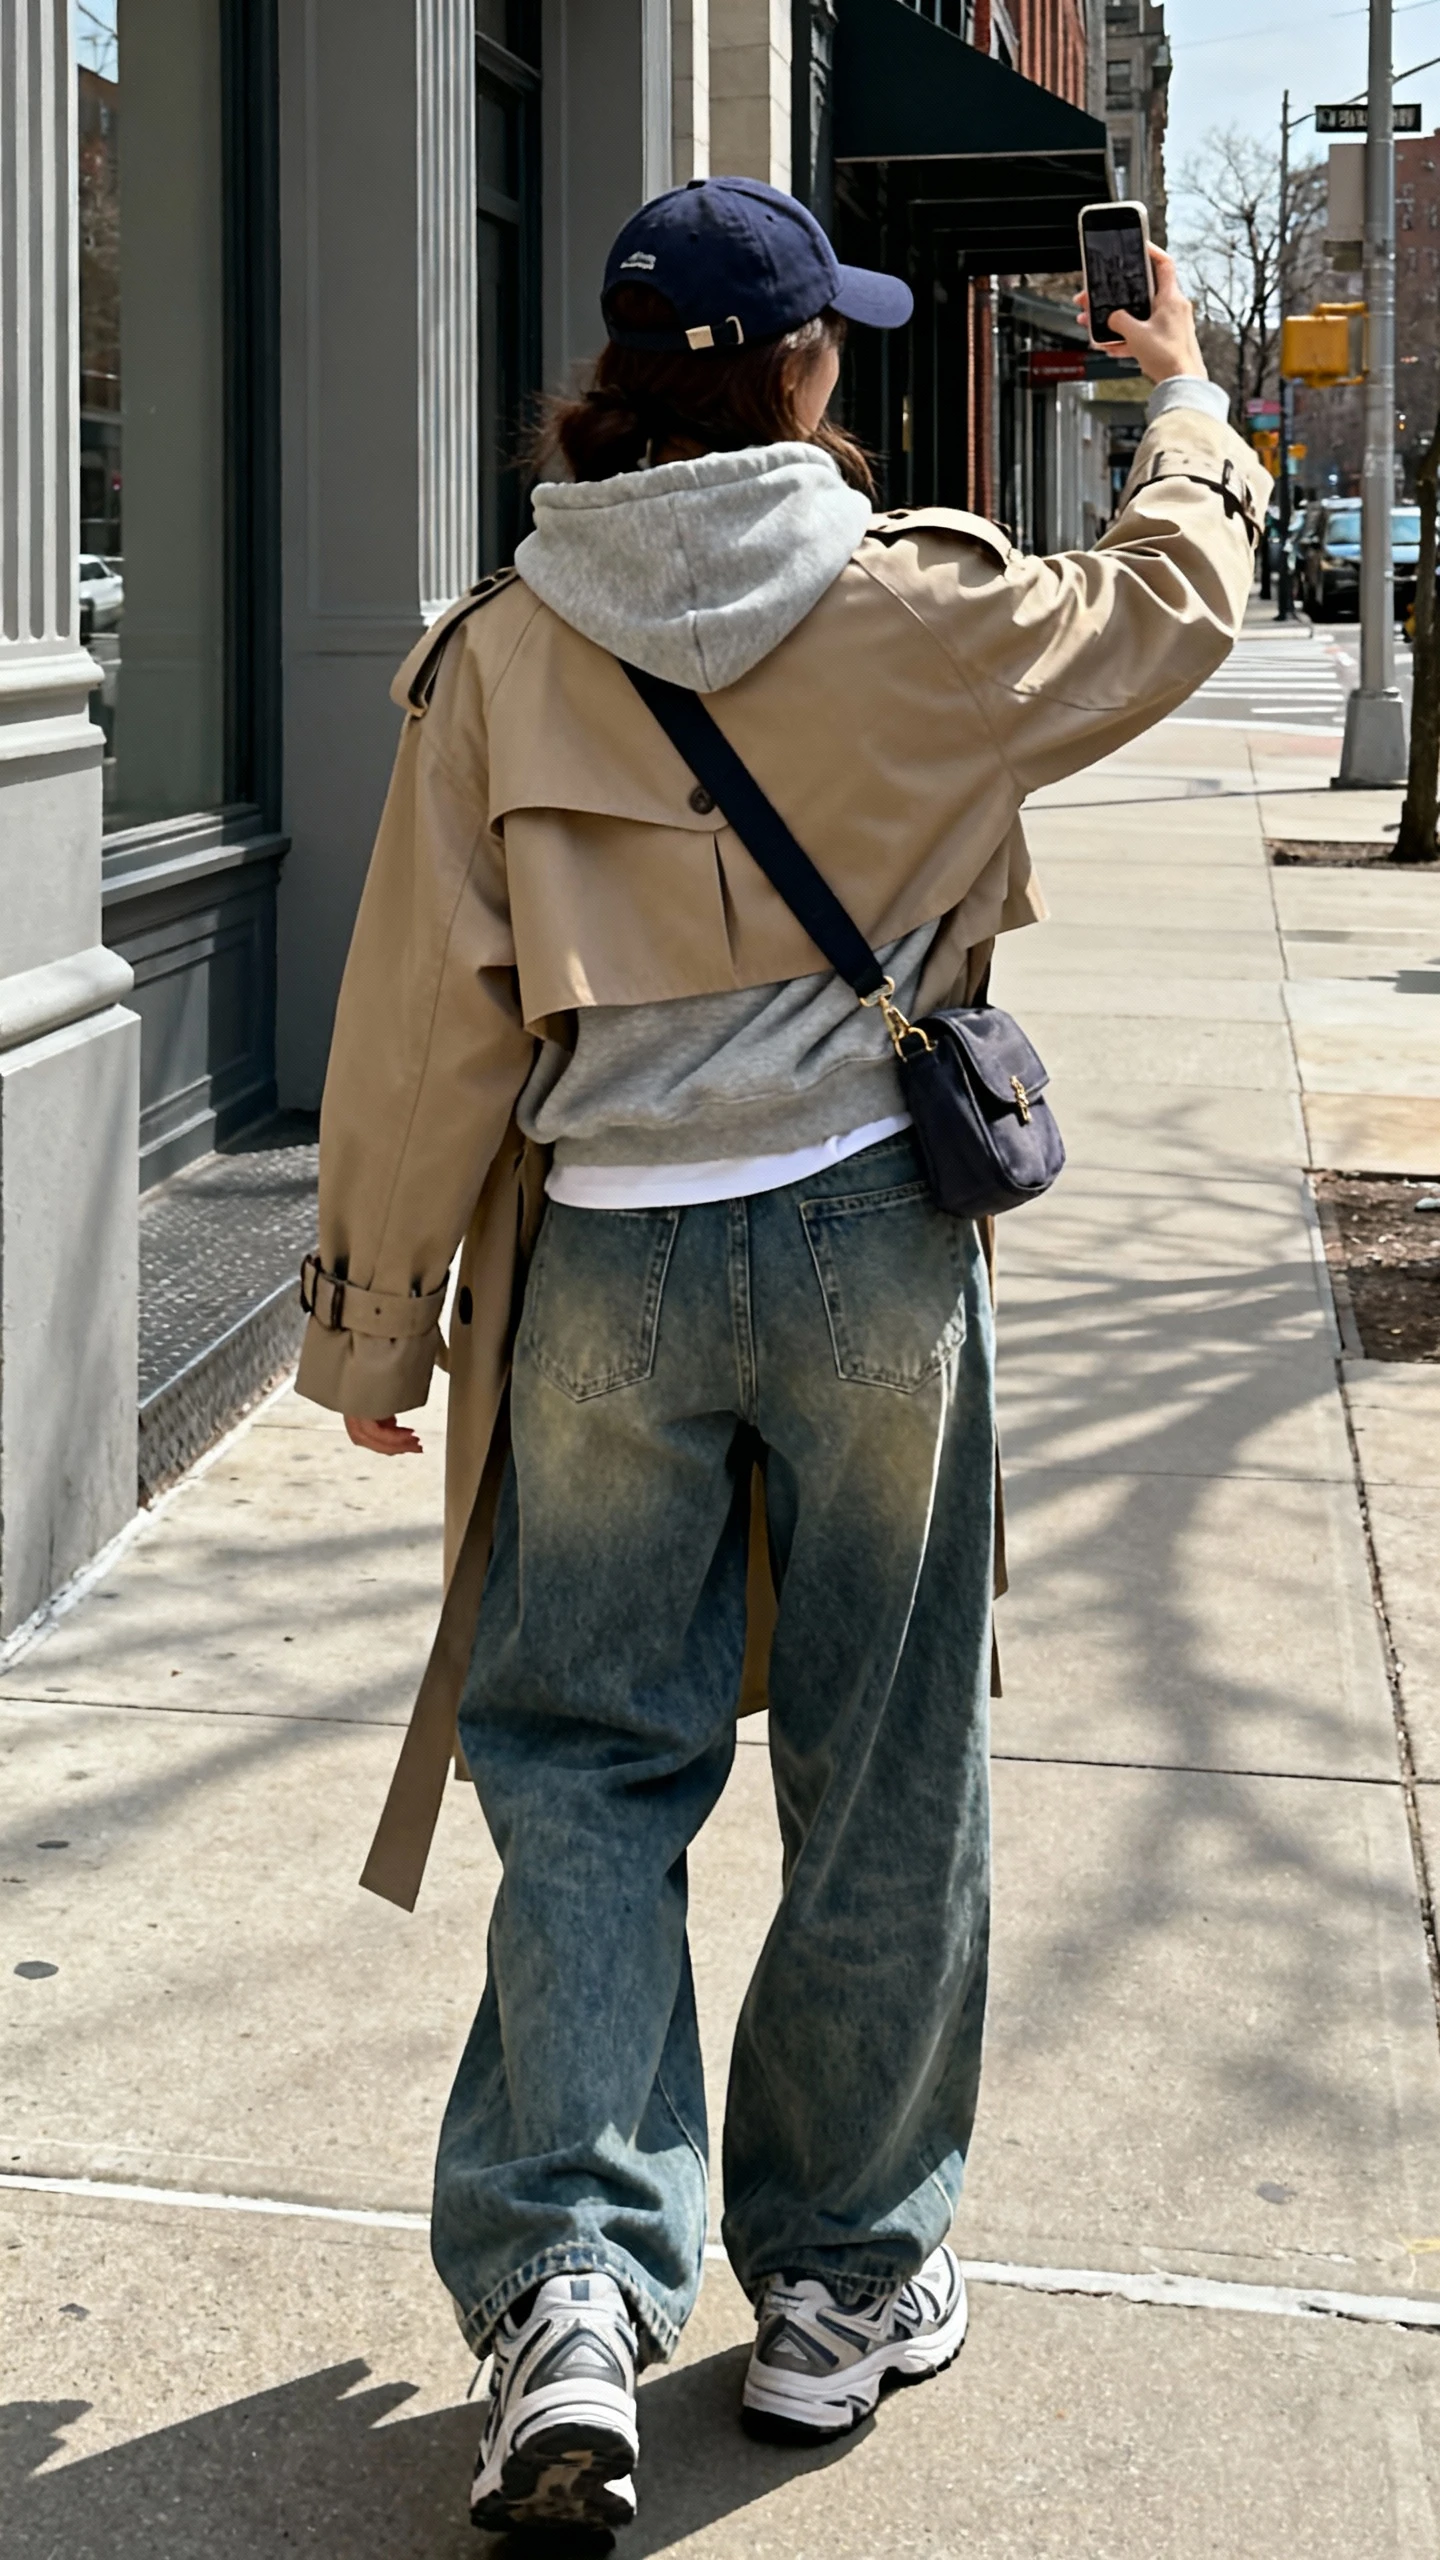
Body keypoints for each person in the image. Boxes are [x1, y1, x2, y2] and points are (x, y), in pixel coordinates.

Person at [296, 176, 1269, 2537]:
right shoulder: (912, 611)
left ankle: (567, 2293)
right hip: (867, 1239)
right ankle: (837, 2283)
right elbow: (1176, 606)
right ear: (803, 377)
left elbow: (423, 1015)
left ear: (622, 385)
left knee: (584, 1769)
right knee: (886, 1748)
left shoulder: (499, 653)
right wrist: (1187, 400)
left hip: (605, 1270)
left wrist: (374, 1313)